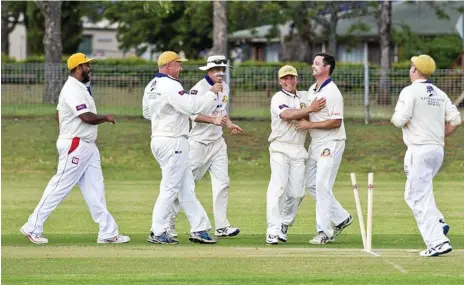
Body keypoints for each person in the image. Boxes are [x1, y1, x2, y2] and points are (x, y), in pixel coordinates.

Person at [20, 53, 130, 244]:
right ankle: (32, 227)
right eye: (87, 65)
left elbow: (58, 115)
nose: (90, 68)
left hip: (87, 146)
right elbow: (86, 117)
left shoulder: (80, 88)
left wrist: (67, 128)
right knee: (59, 187)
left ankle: (108, 232)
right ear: (78, 68)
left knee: (96, 190)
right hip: (76, 144)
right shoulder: (72, 88)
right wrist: (106, 117)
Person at [142, 51, 219, 244]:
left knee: (186, 187)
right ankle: (158, 231)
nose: (181, 67)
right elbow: (192, 107)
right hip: (173, 141)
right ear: (168, 66)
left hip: (159, 138)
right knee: (170, 187)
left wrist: (166, 117)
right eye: (178, 64)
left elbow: (146, 113)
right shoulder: (170, 85)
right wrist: (211, 94)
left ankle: (199, 228)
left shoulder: (152, 84)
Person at [391, 54, 461, 257]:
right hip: (437, 150)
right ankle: (438, 221)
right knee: (418, 193)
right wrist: (440, 133)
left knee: (416, 196)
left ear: (414, 69)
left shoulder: (410, 91)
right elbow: (456, 120)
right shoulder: (439, 93)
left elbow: (398, 120)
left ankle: (438, 242)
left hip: (419, 150)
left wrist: (401, 118)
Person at [167, 55, 243, 238]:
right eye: (217, 69)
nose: (220, 73)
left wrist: (229, 123)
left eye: (223, 69)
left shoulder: (225, 88)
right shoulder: (197, 89)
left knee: (223, 183)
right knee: (185, 185)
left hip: (217, 143)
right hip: (198, 143)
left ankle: (222, 226)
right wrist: (213, 120)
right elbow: (192, 114)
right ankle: (168, 224)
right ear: (208, 71)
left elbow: (221, 110)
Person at [281, 53, 353, 245]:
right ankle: (341, 218)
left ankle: (324, 232)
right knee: (311, 184)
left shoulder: (333, 92)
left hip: (332, 142)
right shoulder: (313, 89)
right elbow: (307, 109)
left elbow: (336, 122)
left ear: (327, 68)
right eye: (313, 63)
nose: (313, 66)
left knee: (322, 185)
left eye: (317, 63)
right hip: (317, 143)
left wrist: (309, 126)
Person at [265, 65, 326, 244]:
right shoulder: (278, 97)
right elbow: (286, 114)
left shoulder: (305, 97)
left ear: (297, 79)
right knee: (278, 188)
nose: (289, 81)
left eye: (292, 78)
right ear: (280, 81)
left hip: (299, 149)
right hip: (280, 147)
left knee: (297, 193)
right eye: (285, 78)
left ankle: (284, 224)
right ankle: (272, 230)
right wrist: (309, 110)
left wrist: (309, 112)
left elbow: (312, 113)